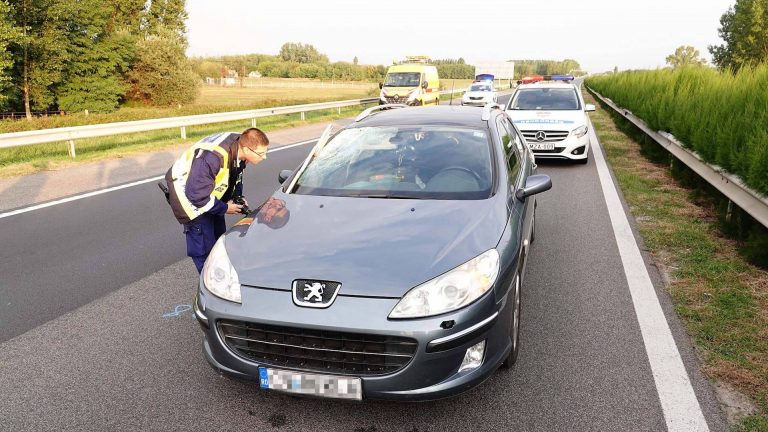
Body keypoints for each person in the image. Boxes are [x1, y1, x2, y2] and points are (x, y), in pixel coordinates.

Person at [163, 128, 270, 273]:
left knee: (219, 241)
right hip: (190, 198)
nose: (265, 157)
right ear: (246, 148)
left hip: (207, 193)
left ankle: (222, 274)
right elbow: (196, 195)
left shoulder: (239, 145)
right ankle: (211, 286)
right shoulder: (212, 157)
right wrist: (225, 208)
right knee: (205, 249)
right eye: (261, 153)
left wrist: (236, 196)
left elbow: (236, 172)